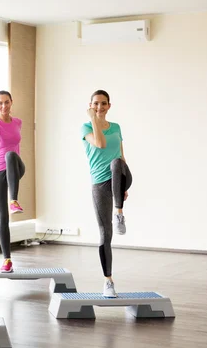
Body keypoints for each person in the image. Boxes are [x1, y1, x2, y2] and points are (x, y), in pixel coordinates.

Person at [81, 89, 133, 298]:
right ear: (91, 105)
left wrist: (122, 186)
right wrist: (93, 118)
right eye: (96, 104)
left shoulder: (117, 127)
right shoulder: (85, 127)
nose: (100, 107)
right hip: (99, 183)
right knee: (105, 234)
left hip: (120, 174)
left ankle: (119, 212)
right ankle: (108, 282)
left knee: (116, 162)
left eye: (103, 104)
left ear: (109, 105)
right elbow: (100, 143)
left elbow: (121, 155)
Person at [0, 90, 25, 274]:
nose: (4, 106)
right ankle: (7, 260)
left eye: (6, 102)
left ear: (11, 102)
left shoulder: (18, 122)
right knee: (2, 217)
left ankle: (14, 200)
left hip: (15, 166)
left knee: (11, 154)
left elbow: (15, 144)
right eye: (0, 103)